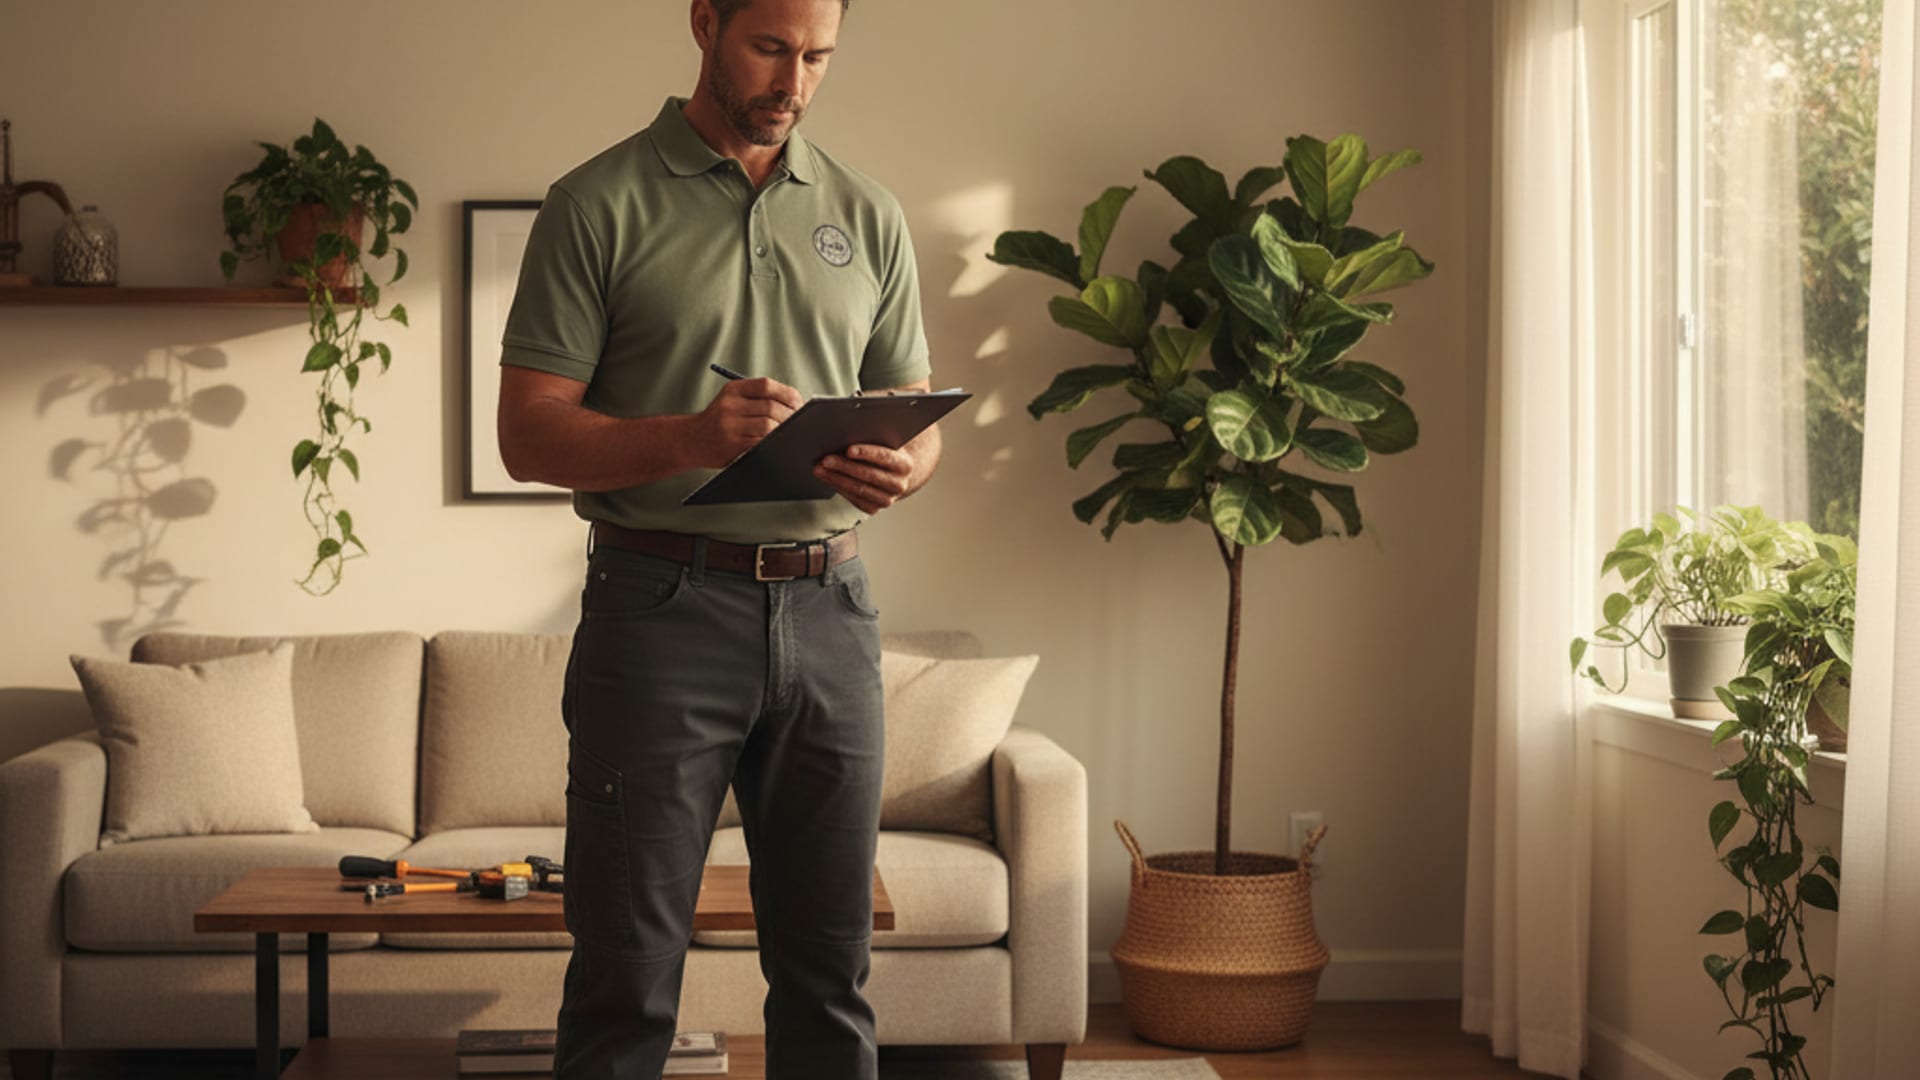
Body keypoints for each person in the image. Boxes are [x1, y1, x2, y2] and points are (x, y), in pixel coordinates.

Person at [494, 0, 940, 1075]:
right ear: (705, 22)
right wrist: (693, 435)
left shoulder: (866, 213)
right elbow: (525, 436)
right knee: (625, 977)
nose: (795, 81)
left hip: (834, 614)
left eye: (820, 56)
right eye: (772, 48)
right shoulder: (595, 204)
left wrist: (903, 466)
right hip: (660, 616)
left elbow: (915, 409)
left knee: (831, 975)